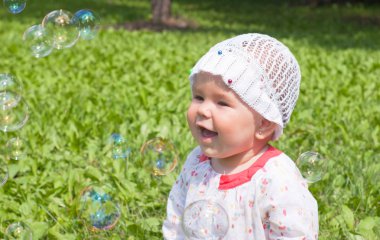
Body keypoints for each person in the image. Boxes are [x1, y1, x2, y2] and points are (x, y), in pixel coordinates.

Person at [163, 33, 319, 239]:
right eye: (199, 97)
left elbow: (295, 233)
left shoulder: (276, 179)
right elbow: (177, 219)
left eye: (222, 103)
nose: (203, 110)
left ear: (263, 124)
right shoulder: (196, 163)